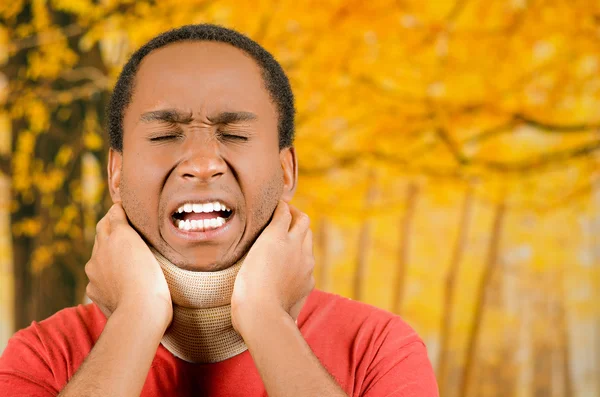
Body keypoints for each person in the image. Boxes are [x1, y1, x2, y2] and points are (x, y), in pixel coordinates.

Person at [0, 24, 438, 396]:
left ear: (286, 171)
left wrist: (265, 315)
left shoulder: (379, 349)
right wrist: (137, 313)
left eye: (235, 134)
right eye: (164, 135)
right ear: (116, 175)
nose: (203, 163)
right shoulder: (41, 358)